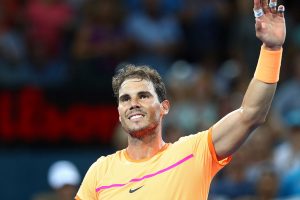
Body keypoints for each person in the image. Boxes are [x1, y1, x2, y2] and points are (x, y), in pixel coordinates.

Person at [75, 0, 286, 199]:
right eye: (125, 99)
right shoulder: (100, 171)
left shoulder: (192, 153)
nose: (133, 104)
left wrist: (271, 50)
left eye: (143, 95)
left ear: (164, 107)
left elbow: (250, 114)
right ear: (120, 114)